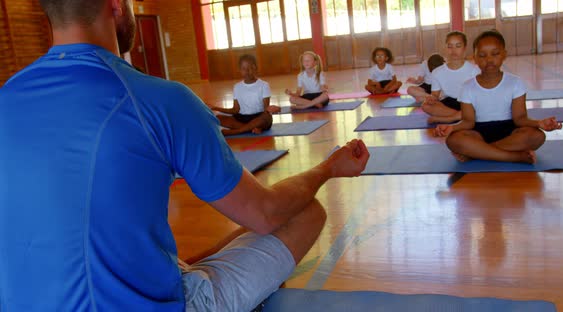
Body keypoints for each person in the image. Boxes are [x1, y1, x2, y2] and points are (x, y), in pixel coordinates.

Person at [0, 1, 371, 311]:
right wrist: (328, 168)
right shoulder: (159, 99)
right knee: (304, 212)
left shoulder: (8, 95)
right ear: (115, 4)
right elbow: (265, 214)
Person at [434, 30, 562, 164]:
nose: (489, 60)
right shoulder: (467, 87)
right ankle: (514, 156)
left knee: (536, 136)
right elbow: (468, 122)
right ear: (475, 58)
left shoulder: (515, 83)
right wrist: (452, 128)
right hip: (478, 133)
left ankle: (476, 154)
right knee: (453, 140)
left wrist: (539, 123)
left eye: (495, 54)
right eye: (482, 55)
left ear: (504, 55)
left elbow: (520, 119)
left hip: (509, 133)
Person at [210, 54, 279, 136]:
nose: (247, 71)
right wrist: (215, 108)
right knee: (218, 118)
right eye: (244, 68)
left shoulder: (264, 85)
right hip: (242, 118)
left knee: (267, 117)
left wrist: (275, 109)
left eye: (250, 68)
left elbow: (265, 109)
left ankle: (236, 131)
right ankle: (252, 128)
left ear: (256, 68)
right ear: (240, 70)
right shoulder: (237, 87)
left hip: (258, 117)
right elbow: (235, 110)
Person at [423, 31, 480, 123]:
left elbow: (478, 97)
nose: (453, 50)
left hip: (467, 103)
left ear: (465, 48)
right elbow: (435, 95)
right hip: (449, 103)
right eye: (450, 46)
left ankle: (450, 118)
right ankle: (460, 116)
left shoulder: (474, 70)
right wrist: (431, 98)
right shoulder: (437, 72)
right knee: (425, 106)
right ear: (445, 48)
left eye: (458, 46)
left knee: (480, 107)